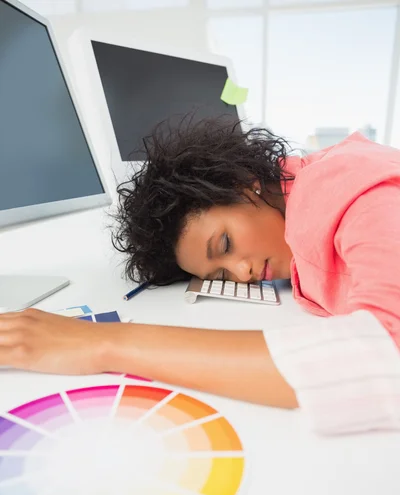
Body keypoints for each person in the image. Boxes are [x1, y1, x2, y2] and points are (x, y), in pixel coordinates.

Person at [0, 118, 399, 435]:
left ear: (243, 186)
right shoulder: (307, 190)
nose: (244, 273)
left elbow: (386, 353)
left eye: (224, 244)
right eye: (222, 273)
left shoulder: (363, 201)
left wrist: (101, 342)